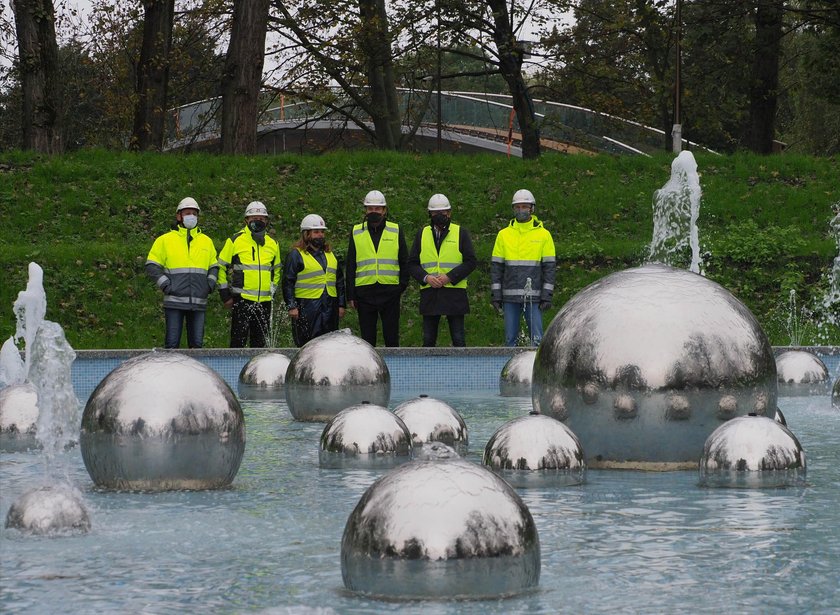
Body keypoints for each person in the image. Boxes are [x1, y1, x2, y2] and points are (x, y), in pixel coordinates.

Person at [145, 197, 218, 349]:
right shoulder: (165, 240)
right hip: (174, 301)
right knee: (172, 345)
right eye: (187, 213)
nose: (191, 216)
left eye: (194, 213)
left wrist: (209, 285)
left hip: (198, 301)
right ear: (179, 216)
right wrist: (166, 285)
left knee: (197, 346)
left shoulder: (206, 241)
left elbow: (214, 266)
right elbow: (151, 265)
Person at [408, 194, 477, 347]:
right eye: (435, 212)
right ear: (430, 214)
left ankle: (461, 370)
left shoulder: (461, 233)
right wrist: (426, 278)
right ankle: (427, 370)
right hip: (430, 293)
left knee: (459, 340)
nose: (440, 215)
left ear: (449, 213)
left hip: (454, 293)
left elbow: (471, 261)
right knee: (428, 341)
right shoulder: (422, 234)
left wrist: (450, 277)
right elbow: (412, 263)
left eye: (443, 212)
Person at [491, 189, 556, 346]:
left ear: (532, 208)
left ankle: (534, 370)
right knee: (509, 341)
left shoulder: (543, 235)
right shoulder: (504, 235)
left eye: (524, 207)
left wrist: (547, 295)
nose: (521, 210)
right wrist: (496, 295)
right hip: (509, 296)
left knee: (537, 340)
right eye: (517, 207)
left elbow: (549, 267)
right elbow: (496, 268)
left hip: (533, 297)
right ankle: (509, 370)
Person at [345, 189, 409, 347]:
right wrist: (351, 294)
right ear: (366, 210)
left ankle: (394, 369)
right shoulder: (356, 231)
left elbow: (404, 260)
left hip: (390, 291)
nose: (374, 211)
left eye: (377, 208)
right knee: (367, 339)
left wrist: (402, 285)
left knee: (392, 337)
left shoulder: (395, 230)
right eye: (370, 208)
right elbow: (351, 263)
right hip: (364, 292)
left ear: (384, 210)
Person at [217, 201, 282, 348]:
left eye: (261, 218)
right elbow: (220, 267)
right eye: (254, 218)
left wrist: (273, 288)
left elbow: (277, 270)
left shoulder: (273, 243)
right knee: (237, 343)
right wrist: (225, 294)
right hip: (242, 300)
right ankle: (234, 370)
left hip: (264, 302)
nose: (258, 221)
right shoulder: (235, 240)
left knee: (259, 346)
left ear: (266, 221)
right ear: (246, 220)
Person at [282, 214, 346, 347]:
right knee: (307, 344)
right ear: (306, 234)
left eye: (322, 232)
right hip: (306, 306)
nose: (320, 235)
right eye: (316, 232)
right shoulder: (296, 255)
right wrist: (292, 306)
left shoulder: (330, 254)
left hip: (330, 305)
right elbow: (288, 282)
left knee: (330, 343)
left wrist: (341, 304)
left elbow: (339, 281)